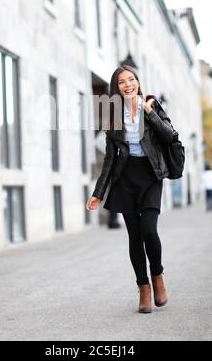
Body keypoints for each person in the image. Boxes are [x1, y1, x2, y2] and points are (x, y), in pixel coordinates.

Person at [86, 65, 174, 314]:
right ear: (117, 87)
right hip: (125, 179)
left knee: (148, 229)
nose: (128, 84)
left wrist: (150, 113)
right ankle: (143, 288)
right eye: (122, 81)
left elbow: (169, 136)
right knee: (134, 236)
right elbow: (109, 158)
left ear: (137, 81)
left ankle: (157, 277)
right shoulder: (113, 115)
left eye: (132, 79)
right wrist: (98, 192)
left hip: (150, 175)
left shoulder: (151, 104)